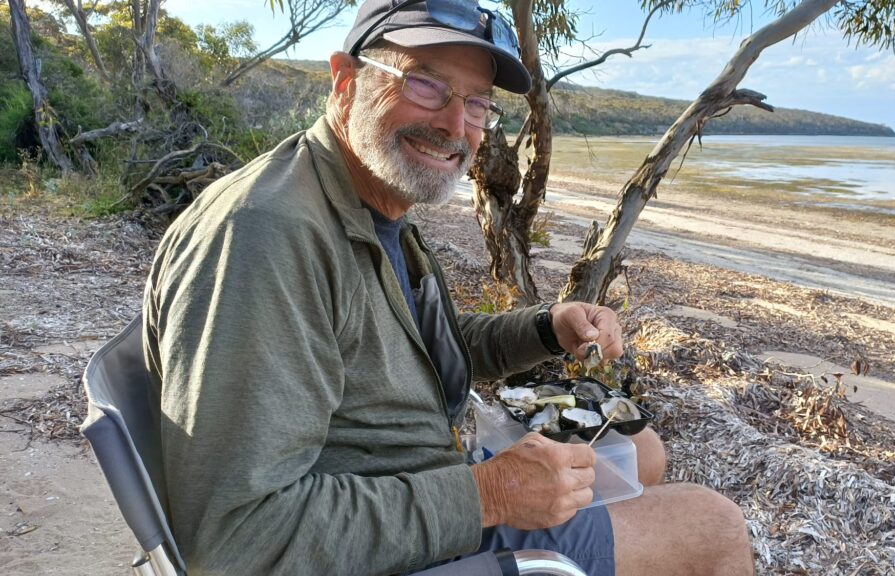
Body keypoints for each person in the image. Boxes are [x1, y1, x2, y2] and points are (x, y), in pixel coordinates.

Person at [142, 0, 753, 574]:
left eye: (478, 103)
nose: (456, 124)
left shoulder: (368, 203)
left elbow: (418, 346)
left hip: (421, 474)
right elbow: (237, 538)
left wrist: (547, 326)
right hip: (394, 536)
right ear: (345, 80)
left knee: (644, 452)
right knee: (712, 526)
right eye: (424, 84)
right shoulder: (266, 238)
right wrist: (490, 495)